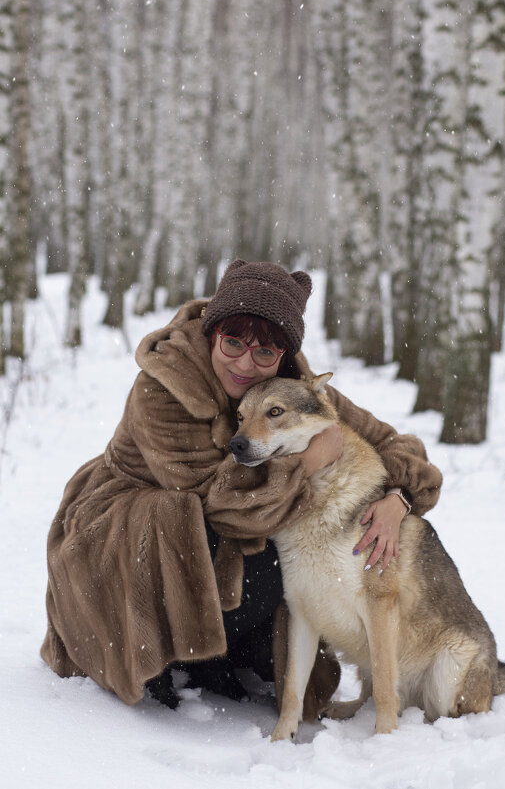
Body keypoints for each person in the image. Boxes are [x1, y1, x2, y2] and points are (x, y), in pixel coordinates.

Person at [41, 259, 442, 716]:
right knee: (218, 533)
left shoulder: (291, 389)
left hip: (224, 522)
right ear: (213, 333)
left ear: (283, 358)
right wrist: (312, 459)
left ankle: (220, 654)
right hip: (124, 532)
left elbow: (395, 444)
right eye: (232, 343)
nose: (245, 364)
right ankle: (156, 653)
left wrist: (398, 498)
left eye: (265, 354)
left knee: (291, 549)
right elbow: (224, 504)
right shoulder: (165, 385)